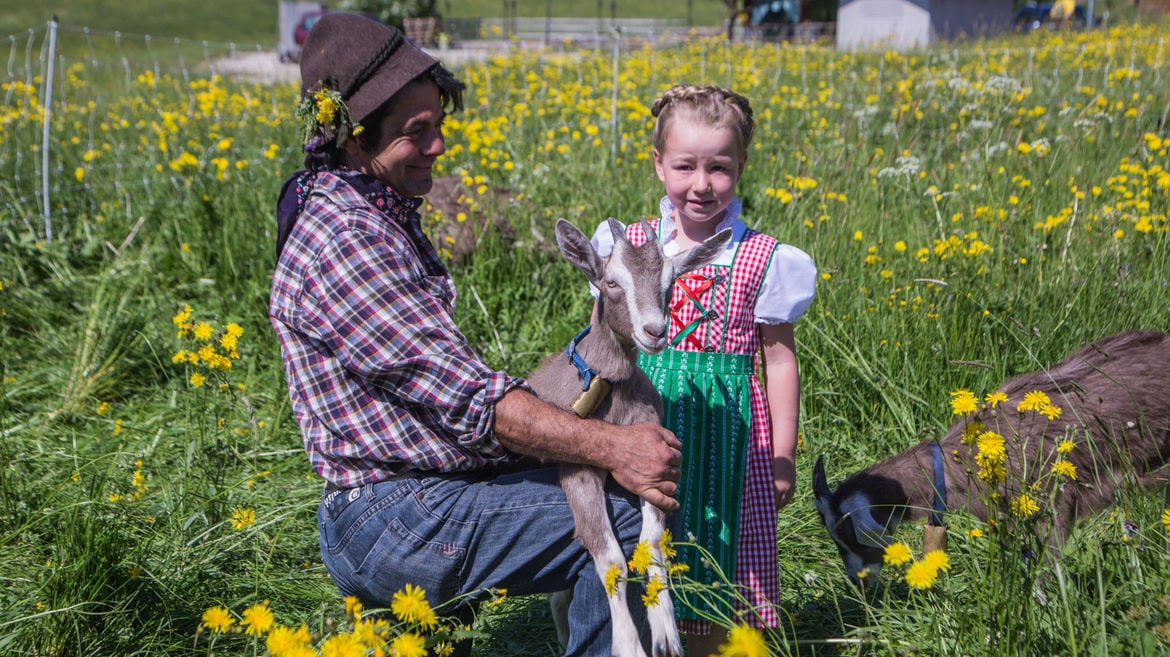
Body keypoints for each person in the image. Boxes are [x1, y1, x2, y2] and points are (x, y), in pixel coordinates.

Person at [268, 13, 683, 657]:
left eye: (439, 126)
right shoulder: (348, 239)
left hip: (414, 497)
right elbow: (475, 402)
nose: (438, 147)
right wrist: (615, 447)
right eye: (416, 132)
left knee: (592, 491)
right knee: (625, 518)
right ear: (354, 140)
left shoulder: (366, 212)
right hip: (394, 516)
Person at [592, 84, 816, 655]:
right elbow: (604, 345)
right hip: (643, 419)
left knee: (722, 555)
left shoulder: (762, 257)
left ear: (740, 166)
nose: (702, 183)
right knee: (646, 543)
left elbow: (780, 359)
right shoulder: (629, 245)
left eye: (719, 168)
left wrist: (782, 456)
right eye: (685, 165)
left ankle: (713, 645)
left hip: (730, 433)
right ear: (658, 163)